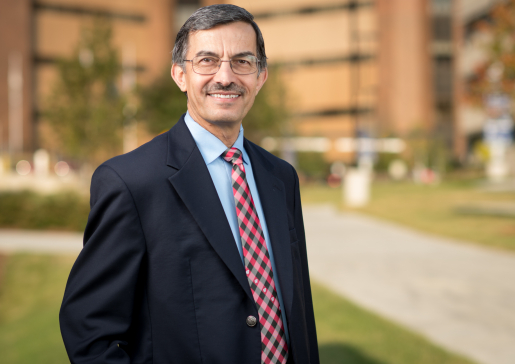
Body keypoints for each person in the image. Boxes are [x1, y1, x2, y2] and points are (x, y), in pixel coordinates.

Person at [60, 4, 319, 364]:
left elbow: (298, 309)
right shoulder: (131, 182)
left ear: (261, 77)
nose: (226, 77)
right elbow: (89, 330)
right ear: (180, 75)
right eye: (207, 61)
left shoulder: (281, 177)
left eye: (243, 62)